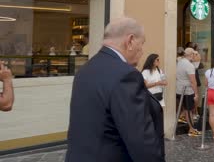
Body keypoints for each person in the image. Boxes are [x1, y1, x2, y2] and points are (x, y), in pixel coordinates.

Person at [65, 17, 165, 162]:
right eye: (141, 44)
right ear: (130, 41)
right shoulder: (126, 75)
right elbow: (141, 142)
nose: (142, 51)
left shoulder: (86, 69)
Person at [176, 47, 201, 137]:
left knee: (186, 110)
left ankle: (190, 128)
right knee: (189, 111)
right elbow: (193, 81)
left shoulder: (180, 62)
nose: (195, 56)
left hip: (179, 90)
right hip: (187, 91)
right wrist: (196, 93)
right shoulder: (189, 65)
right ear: (191, 55)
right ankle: (191, 129)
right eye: (194, 54)